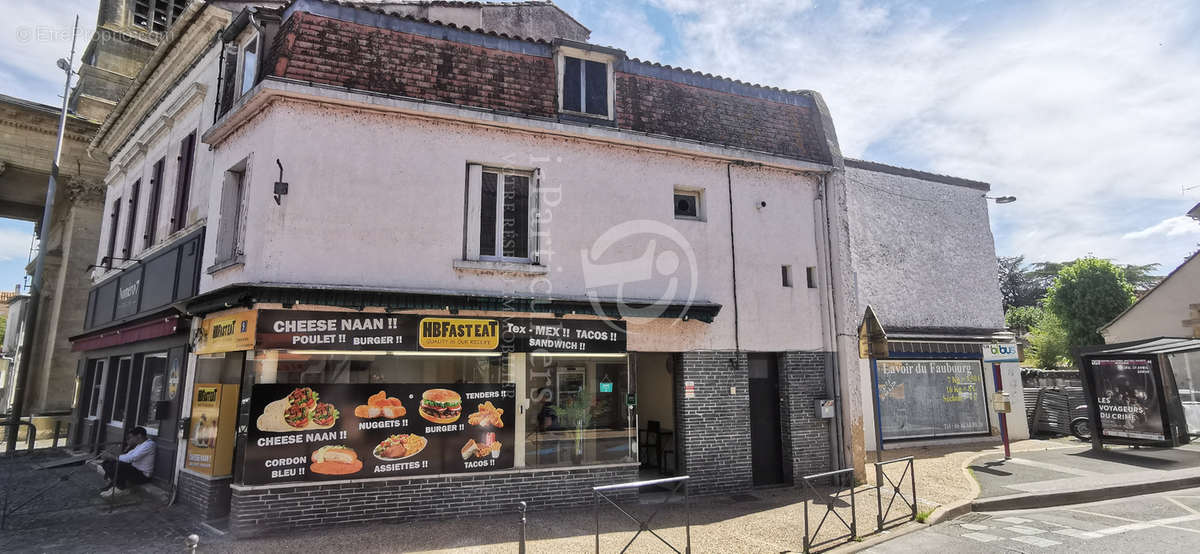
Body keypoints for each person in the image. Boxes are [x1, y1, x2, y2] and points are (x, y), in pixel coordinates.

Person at [98, 426, 155, 497]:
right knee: (106, 463)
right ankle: (114, 484)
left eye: (133, 437)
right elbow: (127, 455)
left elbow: (132, 458)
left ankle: (121, 487)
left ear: (139, 436)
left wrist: (113, 457)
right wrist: (112, 457)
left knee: (118, 465)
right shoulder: (140, 445)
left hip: (142, 475)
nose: (132, 439)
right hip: (134, 470)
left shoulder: (149, 445)